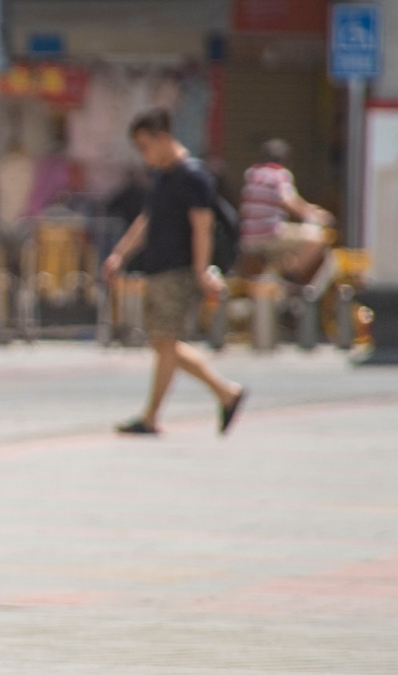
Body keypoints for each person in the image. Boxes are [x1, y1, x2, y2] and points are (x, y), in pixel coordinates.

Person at [101, 108, 245, 436]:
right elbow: (146, 220)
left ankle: (152, 416)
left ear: (163, 138)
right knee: (163, 343)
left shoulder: (192, 177)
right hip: (159, 267)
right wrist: (119, 255)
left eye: (144, 146)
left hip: (178, 271)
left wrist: (201, 270)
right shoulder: (164, 177)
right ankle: (226, 393)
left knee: (165, 341)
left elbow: (202, 225)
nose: (143, 154)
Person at [239, 138, 335, 285]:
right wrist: (314, 214)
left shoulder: (251, 174)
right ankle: (292, 276)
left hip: (248, 238)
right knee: (318, 239)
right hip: (271, 234)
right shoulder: (279, 174)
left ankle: (282, 282)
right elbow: (288, 200)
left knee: (287, 251)